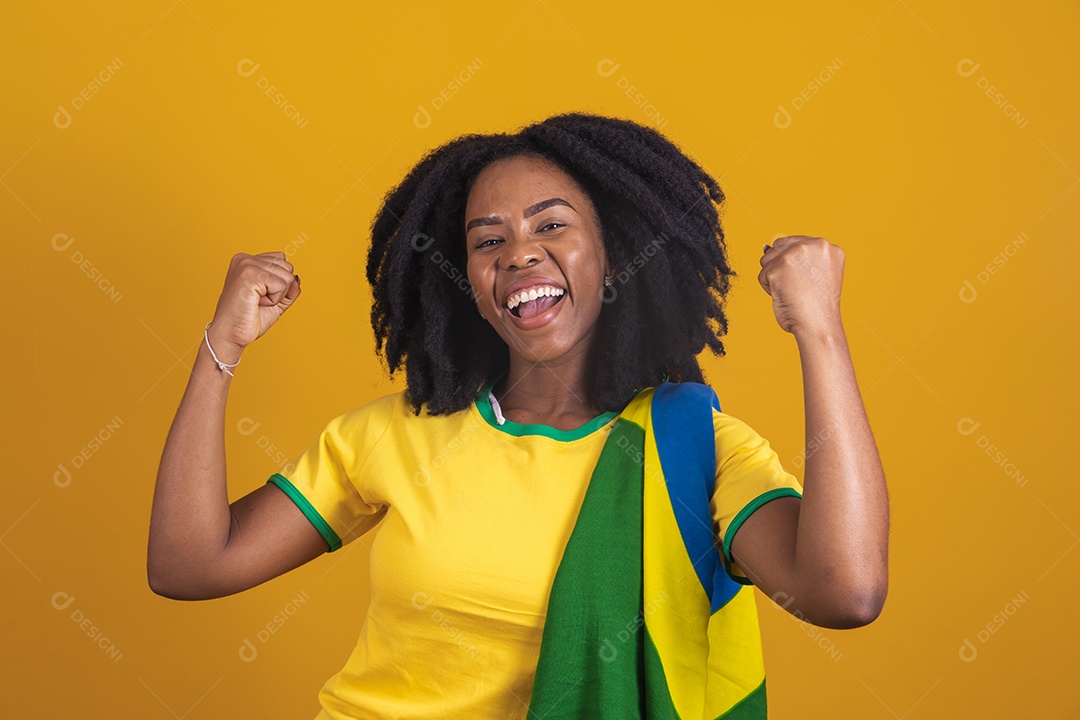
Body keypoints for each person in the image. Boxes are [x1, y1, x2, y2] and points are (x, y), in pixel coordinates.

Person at [147, 113, 889, 719]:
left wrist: (819, 330)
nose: (519, 255)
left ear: (613, 252)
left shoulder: (695, 454)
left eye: (551, 226)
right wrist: (223, 347)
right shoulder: (394, 433)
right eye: (488, 241)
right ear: (467, 281)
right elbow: (189, 565)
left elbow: (845, 592)